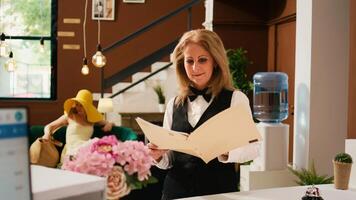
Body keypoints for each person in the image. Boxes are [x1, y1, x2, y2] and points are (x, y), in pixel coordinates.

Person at [148, 29, 260, 199]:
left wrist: (225, 152)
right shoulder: (174, 104)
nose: (195, 68)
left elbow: (253, 148)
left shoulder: (235, 99)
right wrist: (157, 157)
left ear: (215, 61)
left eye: (202, 60)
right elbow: (170, 159)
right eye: (189, 61)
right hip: (175, 193)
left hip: (219, 192)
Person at [42, 89, 114, 162]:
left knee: (103, 149)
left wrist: (109, 124)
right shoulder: (70, 116)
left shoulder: (92, 119)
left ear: (87, 107)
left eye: (81, 105)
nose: (78, 108)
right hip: (71, 150)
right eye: (76, 104)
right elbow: (49, 126)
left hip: (85, 148)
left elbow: (108, 122)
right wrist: (46, 134)